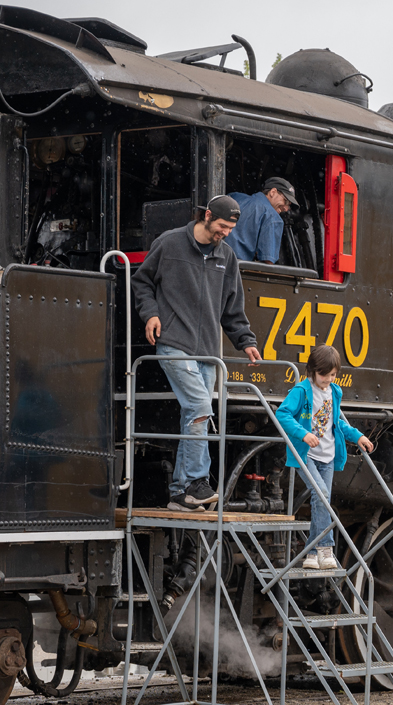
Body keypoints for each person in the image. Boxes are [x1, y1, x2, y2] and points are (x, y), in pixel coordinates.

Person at [133, 194, 262, 511]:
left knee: (197, 416)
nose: (226, 233)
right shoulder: (170, 243)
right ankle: (196, 482)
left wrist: (245, 340)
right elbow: (142, 281)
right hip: (173, 342)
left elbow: (232, 308)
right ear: (206, 216)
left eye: (231, 228)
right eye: (222, 225)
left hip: (207, 351)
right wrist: (150, 314)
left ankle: (179, 493)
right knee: (200, 406)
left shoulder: (227, 257)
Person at [276, 346, 373, 570]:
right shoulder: (301, 390)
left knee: (322, 502)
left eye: (333, 375)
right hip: (307, 455)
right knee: (322, 495)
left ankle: (311, 554)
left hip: (327, 456)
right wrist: (303, 433)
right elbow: (282, 414)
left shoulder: (334, 392)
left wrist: (358, 437)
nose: (328, 379)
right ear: (312, 371)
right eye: (324, 375)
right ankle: (325, 548)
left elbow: (338, 423)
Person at [226, 177, 298, 264]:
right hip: (236, 269)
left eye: (289, 206)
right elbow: (268, 261)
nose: (286, 209)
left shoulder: (234, 197)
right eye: (285, 201)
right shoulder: (272, 217)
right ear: (273, 192)